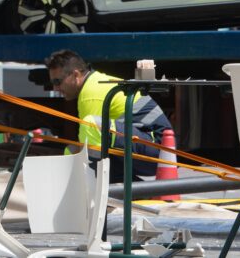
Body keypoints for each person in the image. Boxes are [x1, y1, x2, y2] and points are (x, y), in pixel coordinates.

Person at [44, 49, 172, 183]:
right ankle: (135, 190)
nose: (55, 88)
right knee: (71, 151)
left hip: (158, 149)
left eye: (57, 81)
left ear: (76, 75)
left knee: (92, 126)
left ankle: (99, 189)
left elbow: (86, 147)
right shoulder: (93, 82)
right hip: (151, 147)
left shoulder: (90, 94)